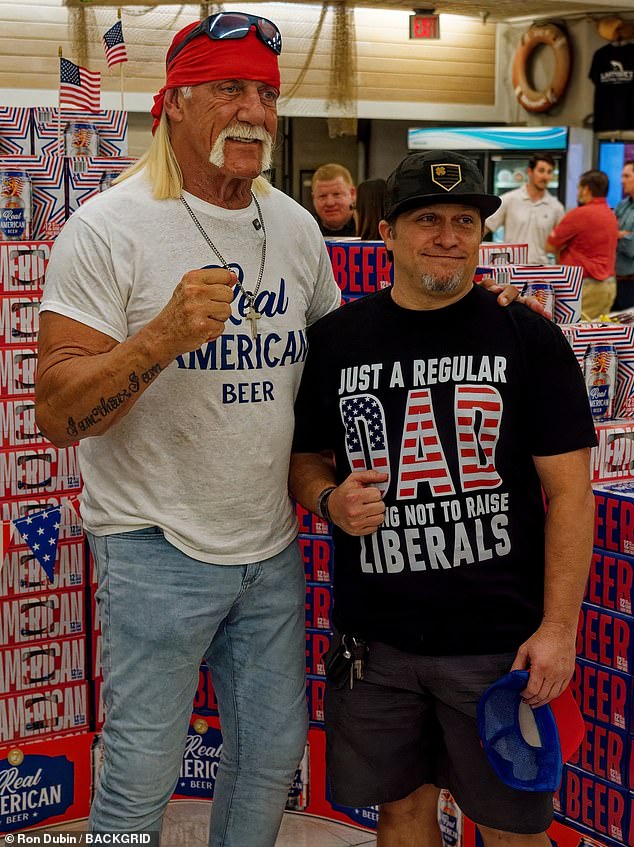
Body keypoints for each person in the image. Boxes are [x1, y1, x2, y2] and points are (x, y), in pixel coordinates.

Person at [34, 13, 343, 847]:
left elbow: (344, 359)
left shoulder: (295, 226)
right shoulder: (109, 226)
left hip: (269, 543)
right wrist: (160, 338)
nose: (253, 110)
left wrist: (472, 319)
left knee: (271, 754)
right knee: (140, 767)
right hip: (153, 544)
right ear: (173, 102)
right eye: (229, 89)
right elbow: (57, 412)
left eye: (267, 93)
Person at [290, 150, 596, 847]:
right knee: (399, 814)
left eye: (465, 220)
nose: (449, 235)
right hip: (377, 643)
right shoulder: (337, 342)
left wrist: (558, 628)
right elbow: (304, 459)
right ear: (386, 233)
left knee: (511, 826)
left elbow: (572, 494)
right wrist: (329, 498)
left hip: (498, 646)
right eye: (427, 218)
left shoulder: (529, 336)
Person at [545, 169, 618, 320]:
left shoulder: (579, 214)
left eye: (578, 188)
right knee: (597, 333)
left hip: (587, 287)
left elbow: (550, 246)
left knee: (573, 334)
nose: (578, 192)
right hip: (609, 286)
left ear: (586, 190)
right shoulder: (611, 214)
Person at [484, 154, 564, 265]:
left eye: (549, 172)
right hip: (511, 269)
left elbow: (561, 245)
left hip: (541, 271)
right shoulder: (509, 200)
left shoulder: (556, 208)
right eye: (541, 171)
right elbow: (485, 227)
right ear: (530, 172)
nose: (545, 176)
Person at [311, 163, 356, 237]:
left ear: (352, 194)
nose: (330, 203)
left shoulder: (371, 231)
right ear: (313, 198)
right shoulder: (305, 232)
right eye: (323, 196)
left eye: (337, 195)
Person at [613, 159, 634, 310]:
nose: (622, 181)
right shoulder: (622, 205)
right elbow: (608, 234)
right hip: (615, 280)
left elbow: (632, 248)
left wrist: (618, 236)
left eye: (627, 176)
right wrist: (624, 234)